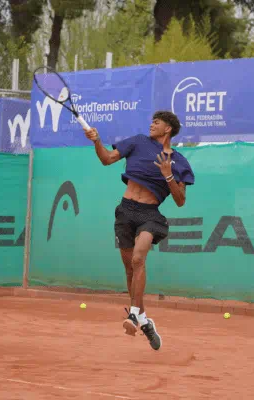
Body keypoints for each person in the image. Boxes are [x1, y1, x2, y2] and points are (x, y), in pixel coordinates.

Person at [83, 111, 195, 351]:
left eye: (157, 122)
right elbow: (106, 159)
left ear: (168, 129)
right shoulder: (137, 141)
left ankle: (134, 314)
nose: (151, 124)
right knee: (129, 269)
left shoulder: (180, 162)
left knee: (138, 258)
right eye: (151, 120)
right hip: (125, 211)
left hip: (150, 214)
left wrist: (168, 176)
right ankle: (144, 320)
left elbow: (180, 200)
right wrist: (96, 141)